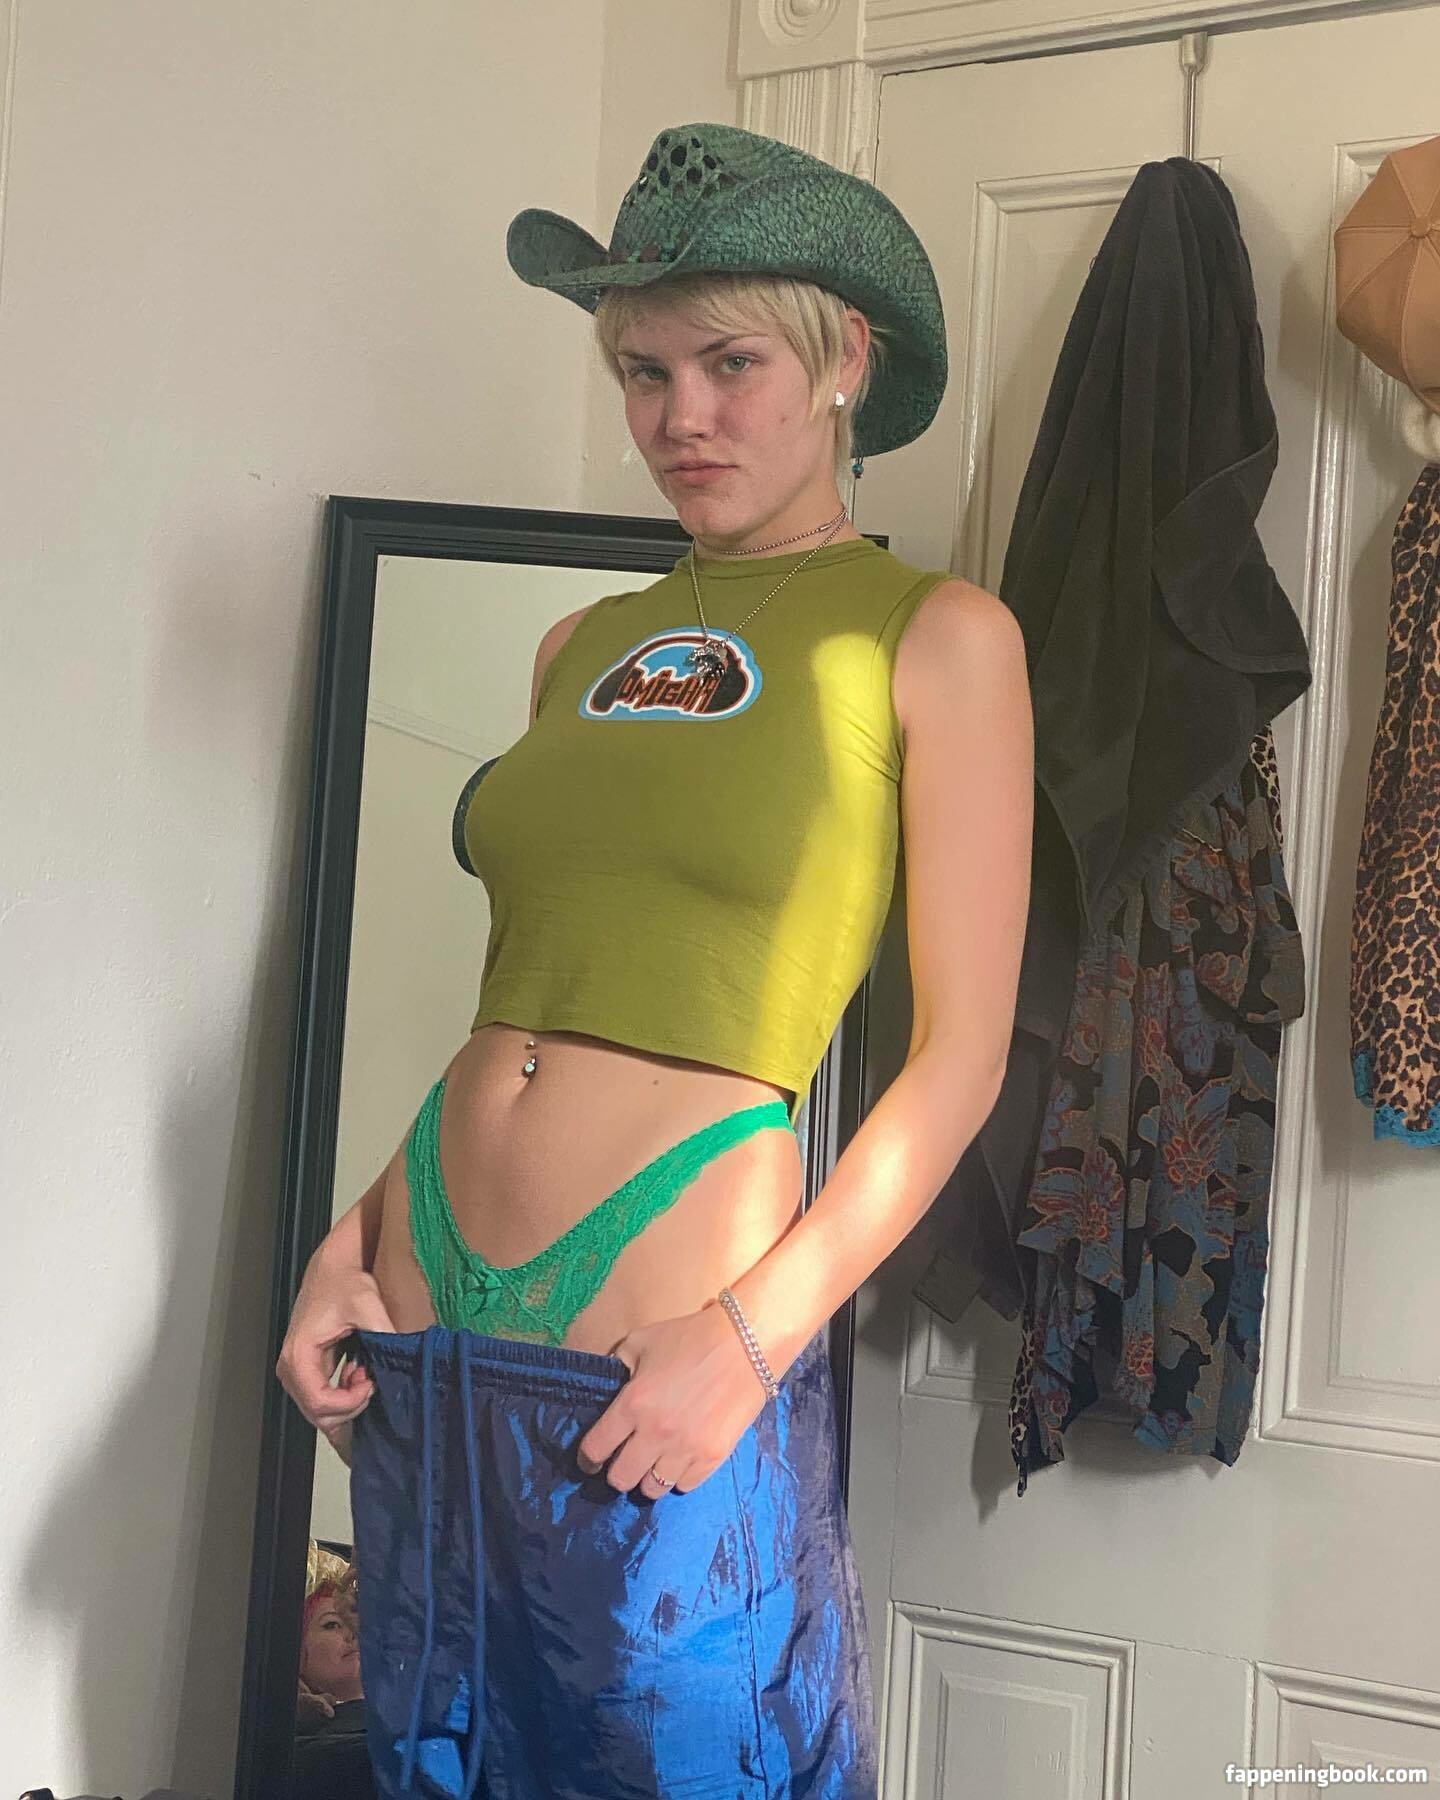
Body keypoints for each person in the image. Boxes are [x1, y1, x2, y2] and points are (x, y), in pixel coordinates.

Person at [276, 120, 1032, 1797]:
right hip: (428, 1285)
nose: (682, 418)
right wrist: (347, 1241)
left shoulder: (935, 637)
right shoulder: (582, 644)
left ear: (844, 359)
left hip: (669, 1329)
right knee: (435, 1754)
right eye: (643, 373)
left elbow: (963, 1057)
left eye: (730, 364)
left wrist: (755, 1340)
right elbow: (527, 996)